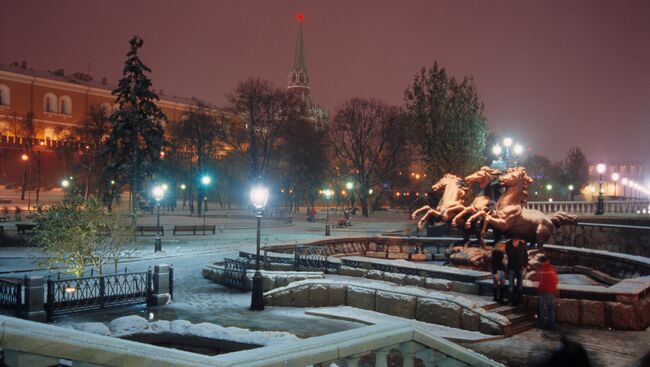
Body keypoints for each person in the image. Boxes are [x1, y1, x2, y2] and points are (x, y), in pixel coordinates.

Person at [537, 254, 559, 330]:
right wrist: (555, 289)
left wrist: (540, 289)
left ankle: (542, 325)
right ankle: (551, 325)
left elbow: (540, 280)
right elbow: (556, 279)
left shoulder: (542, 269)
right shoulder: (552, 268)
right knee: (551, 309)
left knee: (542, 309)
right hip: (552, 292)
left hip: (544, 292)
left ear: (542, 262)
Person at [506, 238, 528, 306]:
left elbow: (526, 256)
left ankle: (519, 301)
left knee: (520, 287)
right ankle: (511, 301)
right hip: (511, 268)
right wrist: (514, 247)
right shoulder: (509, 245)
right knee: (510, 287)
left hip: (519, 268)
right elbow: (509, 254)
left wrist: (525, 265)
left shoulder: (522, 245)